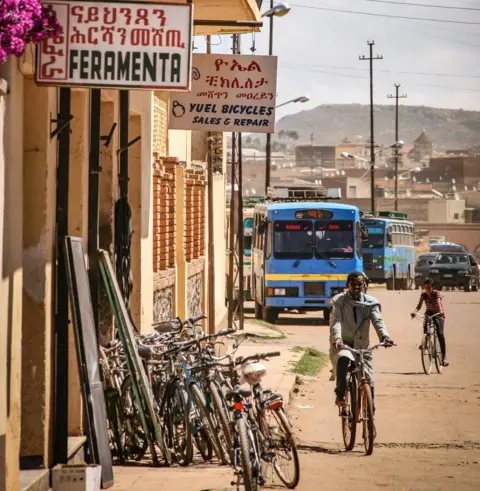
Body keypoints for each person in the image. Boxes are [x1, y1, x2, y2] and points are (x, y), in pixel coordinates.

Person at [329, 271, 393, 409]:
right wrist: (338, 338)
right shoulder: (339, 301)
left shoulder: (371, 302)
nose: (357, 287)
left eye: (360, 284)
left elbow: (378, 321)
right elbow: (336, 322)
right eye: (353, 284)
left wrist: (384, 336)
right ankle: (340, 395)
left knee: (369, 380)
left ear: (364, 284)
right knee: (343, 359)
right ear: (348, 285)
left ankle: (371, 414)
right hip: (344, 343)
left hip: (363, 346)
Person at [411, 278, 449, 367]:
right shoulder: (423, 295)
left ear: (432, 287)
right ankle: (426, 343)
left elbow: (439, 303)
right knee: (426, 323)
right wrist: (414, 312)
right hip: (429, 312)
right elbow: (419, 306)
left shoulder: (436, 293)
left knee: (440, 333)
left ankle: (444, 357)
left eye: (428, 288)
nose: (427, 290)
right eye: (425, 288)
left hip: (438, 313)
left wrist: (440, 312)